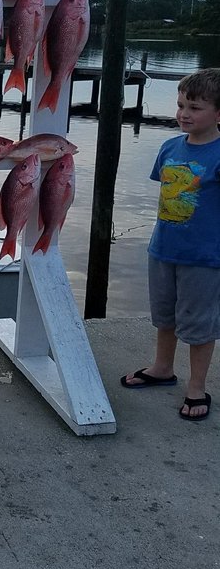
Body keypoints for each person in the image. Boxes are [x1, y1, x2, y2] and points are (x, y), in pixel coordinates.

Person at [121, 68, 220, 420]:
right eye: (181, 105)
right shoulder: (169, 147)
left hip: (205, 257)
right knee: (165, 316)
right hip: (163, 249)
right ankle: (162, 368)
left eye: (195, 107)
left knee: (198, 323)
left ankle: (197, 386)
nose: (184, 113)